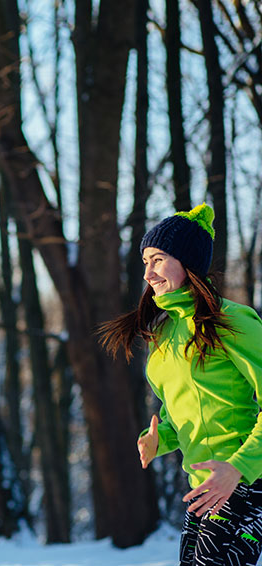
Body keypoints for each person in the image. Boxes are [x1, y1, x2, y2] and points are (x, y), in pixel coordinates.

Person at [99, 203, 262, 565]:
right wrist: (162, 438)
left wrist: (239, 467)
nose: (148, 273)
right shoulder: (166, 332)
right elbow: (186, 407)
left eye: (157, 260)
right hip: (203, 485)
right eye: (145, 262)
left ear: (187, 263)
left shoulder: (232, 322)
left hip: (245, 481)